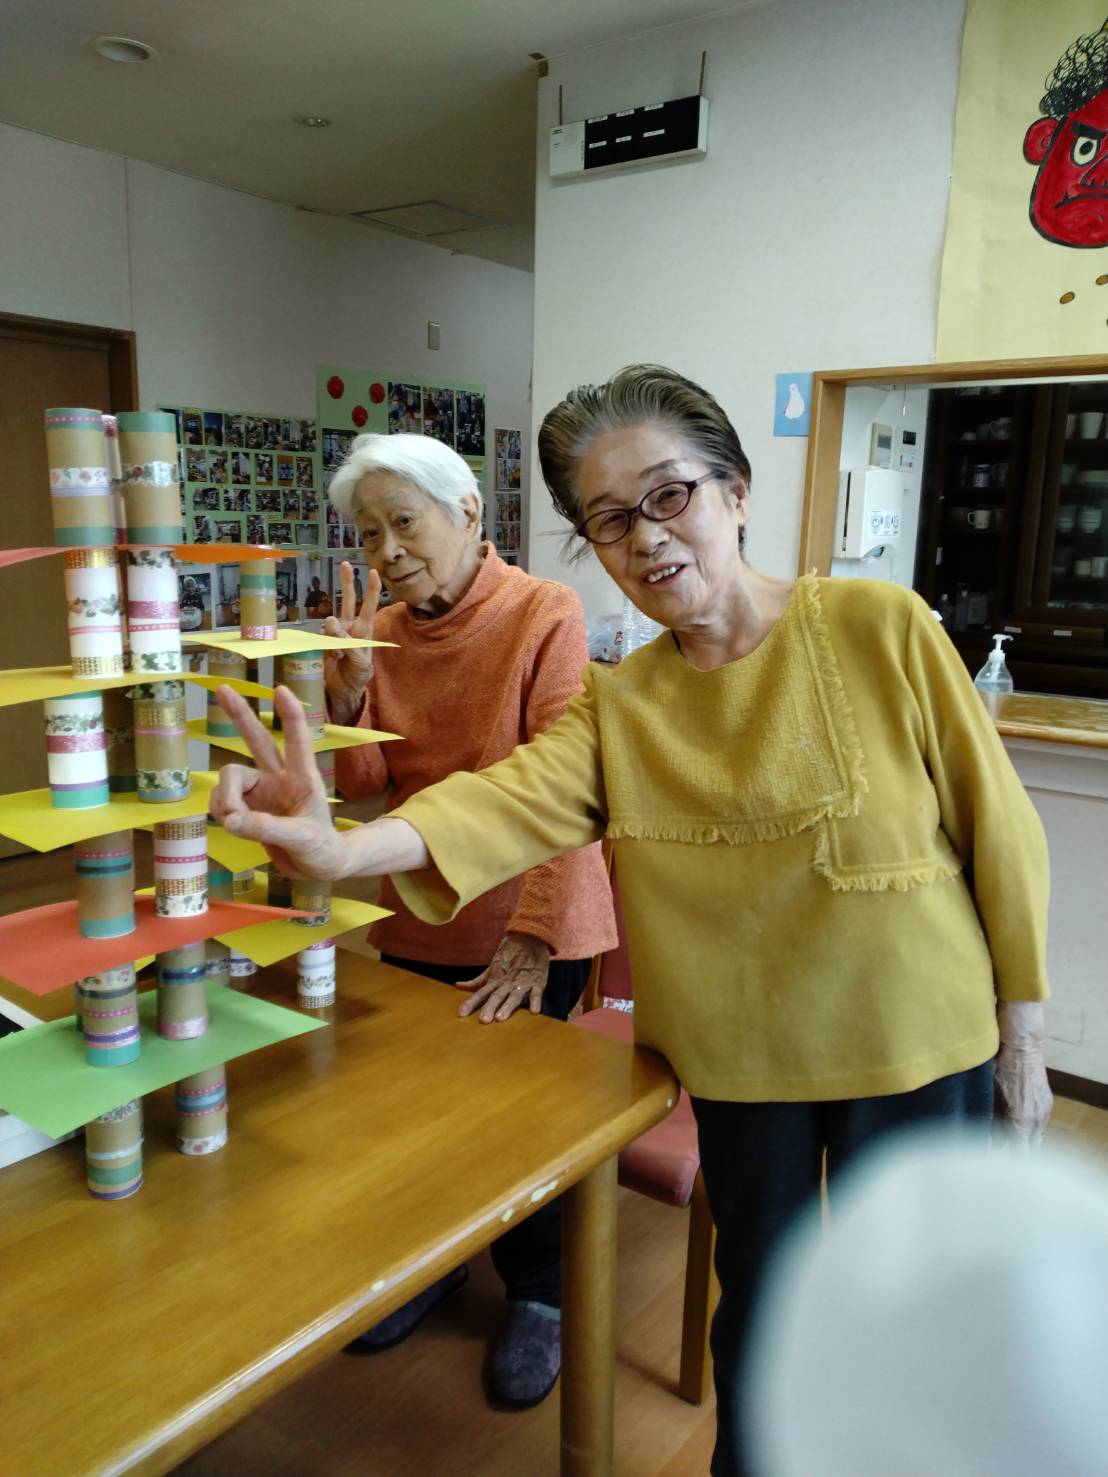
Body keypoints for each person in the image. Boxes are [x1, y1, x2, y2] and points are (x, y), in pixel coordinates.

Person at [211, 366, 1053, 1476]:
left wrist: (1024, 1044)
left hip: (917, 1042)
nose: (645, 538)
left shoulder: (876, 624)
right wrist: (339, 849)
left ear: (735, 491)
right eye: (608, 521)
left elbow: (999, 829)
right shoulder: (626, 700)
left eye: (669, 496)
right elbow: (505, 798)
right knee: (762, 1306)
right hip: (743, 1060)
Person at [301, 431, 615, 1407]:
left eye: (404, 522)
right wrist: (343, 701)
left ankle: (541, 1294)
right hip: (419, 914)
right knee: (420, 1121)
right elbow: (366, 793)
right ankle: (435, 1263)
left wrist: (534, 930)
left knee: (520, 1124)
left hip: (527, 919)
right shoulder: (381, 631)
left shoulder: (541, 610)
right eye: (369, 532)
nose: (387, 550)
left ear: (468, 514)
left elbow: (573, 785)